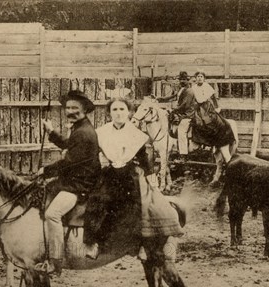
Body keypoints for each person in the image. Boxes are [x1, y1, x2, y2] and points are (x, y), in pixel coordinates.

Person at [83, 97, 183, 257]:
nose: (118, 113)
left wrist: (151, 176)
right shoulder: (102, 132)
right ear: (109, 113)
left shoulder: (136, 134)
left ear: (129, 113)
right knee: (96, 200)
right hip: (109, 173)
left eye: (122, 109)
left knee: (137, 205)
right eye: (114, 110)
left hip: (129, 174)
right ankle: (93, 243)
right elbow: (93, 154)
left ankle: (141, 245)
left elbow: (144, 158)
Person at [37, 90, 101, 276]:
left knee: (52, 214)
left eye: (75, 108)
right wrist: (51, 131)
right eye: (68, 107)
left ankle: (55, 261)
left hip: (80, 185)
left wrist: (45, 171)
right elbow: (68, 145)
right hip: (75, 179)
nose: (70, 111)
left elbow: (68, 162)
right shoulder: (80, 128)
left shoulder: (84, 133)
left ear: (84, 109)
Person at [191, 70, 233, 163]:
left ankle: (212, 141)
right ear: (195, 79)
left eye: (201, 76)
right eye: (198, 77)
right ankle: (199, 143)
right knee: (196, 122)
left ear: (204, 78)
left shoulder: (206, 86)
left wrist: (217, 107)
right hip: (197, 107)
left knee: (210, 120)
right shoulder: (193, 87)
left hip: (206, 106)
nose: (199, 78)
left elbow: (213, 97)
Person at [162, 71, 196, 155]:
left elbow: (185, 104)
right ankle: (173, 148)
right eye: (181, 79)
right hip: (180, 113)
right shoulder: (182, 90)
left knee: (181, 130)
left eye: (184, 79)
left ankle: (183, 154)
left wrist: (174, 110)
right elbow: (173, 97)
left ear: (188, 80)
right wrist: (161, 99)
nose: (182, 81)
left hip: (187, 114)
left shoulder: (190, 91)